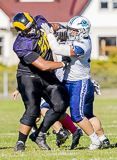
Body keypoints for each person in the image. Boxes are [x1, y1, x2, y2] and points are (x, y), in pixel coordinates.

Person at [41, 15, 110, 150]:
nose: (71, 32)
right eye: (71, 29)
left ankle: (96, 141)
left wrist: (50, 35)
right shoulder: (78, 37)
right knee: (54, 107)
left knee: (78, 115)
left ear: (82, 32)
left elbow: (57, 49)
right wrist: (56, 27)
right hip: (67, 81)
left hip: (79, 82)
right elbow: (63, 32)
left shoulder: (82, 45)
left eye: (74, 30)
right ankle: (64, 131)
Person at [12, 12, 72, 152]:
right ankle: (20, 142)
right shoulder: (21, 44)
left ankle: (40, 134)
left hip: (47, 74)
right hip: (29, 75)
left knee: (60, 104)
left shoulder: (39, 22)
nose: (31, 30)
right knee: (32, 110)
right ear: (21, 31)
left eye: (31, 26)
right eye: (27, 29)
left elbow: (53, 27)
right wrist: (63, 63)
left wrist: (62, 29)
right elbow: (43, 65)